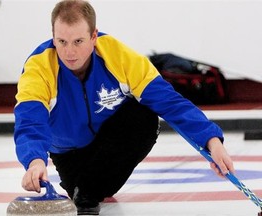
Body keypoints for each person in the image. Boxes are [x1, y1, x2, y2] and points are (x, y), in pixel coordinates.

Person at [14, 0, 235, 215]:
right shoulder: (39, 67)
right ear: (53, 37)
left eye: (78, 41)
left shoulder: (118, 56)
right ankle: (86, 187)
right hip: (68, 153)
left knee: (143, 115)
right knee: (85, 190)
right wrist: (35, 161)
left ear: (94, 36)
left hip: (109, 145)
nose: (69, 52)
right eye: (61, 41)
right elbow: (30, 119)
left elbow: (169, 102)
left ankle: (89, 188)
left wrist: (211, 141)